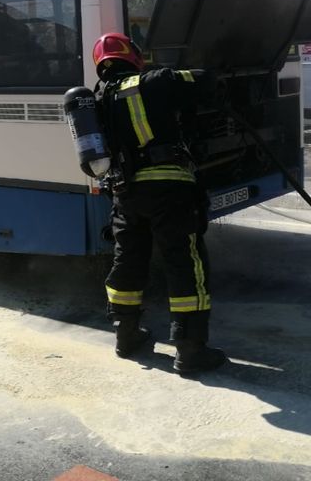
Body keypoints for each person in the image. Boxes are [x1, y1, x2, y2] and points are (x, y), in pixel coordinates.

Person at [92, 32, 227, 375]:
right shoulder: (154, 81)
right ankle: (190, 349)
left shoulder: (96, 99)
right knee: (184, 261)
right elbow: (204, 81)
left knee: (128, 259)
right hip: (169, 186)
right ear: (133, 56)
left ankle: (126, 336)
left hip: (124, 193)